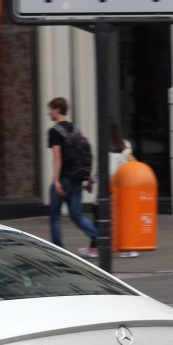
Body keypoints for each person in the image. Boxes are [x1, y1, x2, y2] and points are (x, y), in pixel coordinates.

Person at [47, 97, 99, 257]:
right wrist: (88, 178)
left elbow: (57, 157)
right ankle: (98, 237)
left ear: (57, 109)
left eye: (50, 109)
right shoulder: (75, 129)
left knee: (55, 215)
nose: (48, 113)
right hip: (77, 177)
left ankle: (58, 250)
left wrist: (56, 180)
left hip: (64, 178)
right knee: (76, 214)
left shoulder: (54, 131)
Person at [108, 119, 139, 259]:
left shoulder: (106, 145)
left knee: (113, 217)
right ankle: (129, 247)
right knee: (126, 216)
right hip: (126, 184)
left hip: (113, 184)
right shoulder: (125, 144)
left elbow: (108, 169)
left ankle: (121, 246)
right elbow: (132, 161)